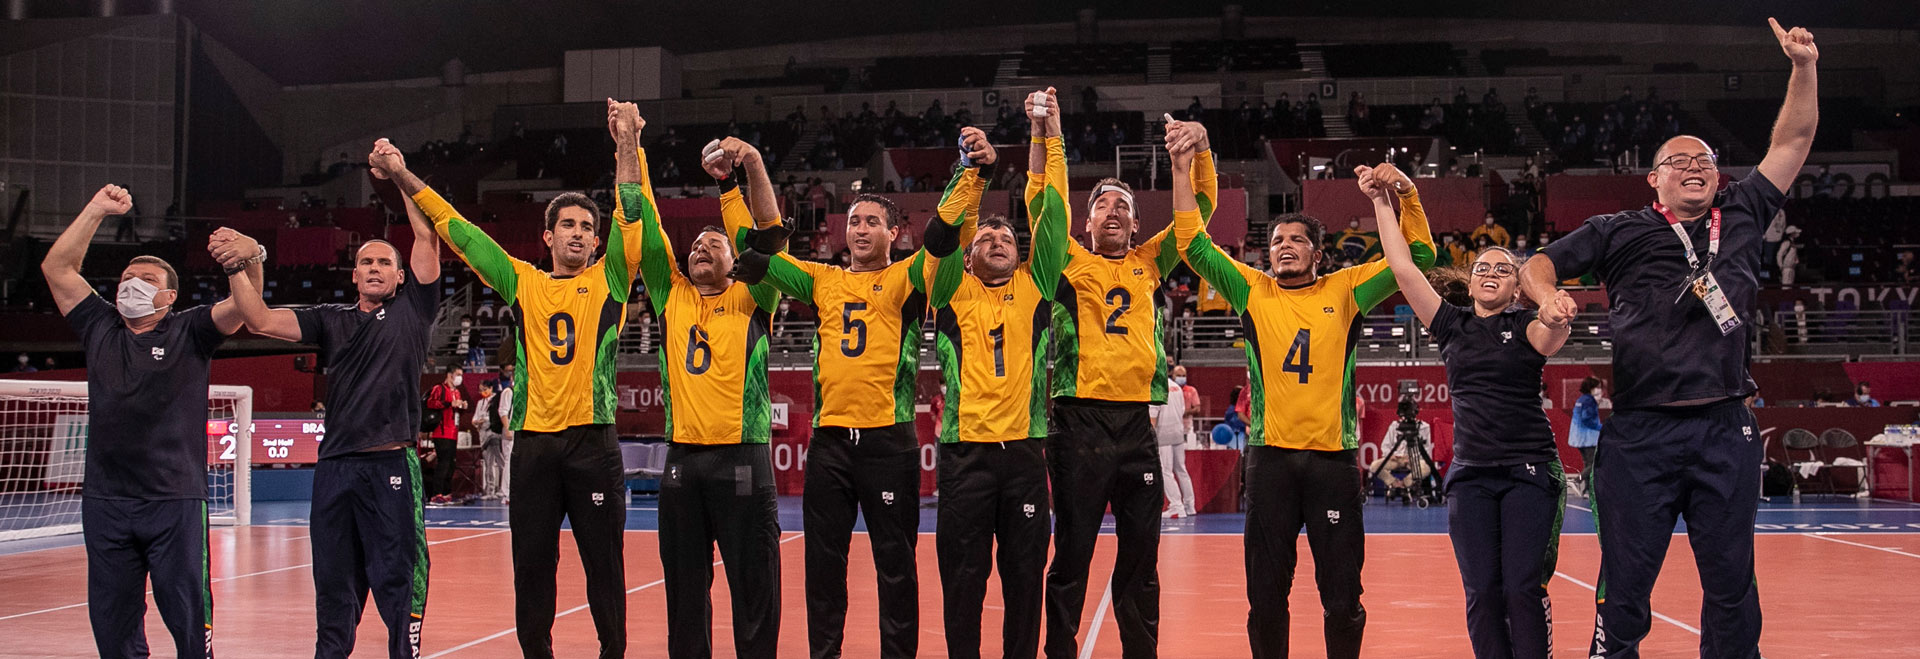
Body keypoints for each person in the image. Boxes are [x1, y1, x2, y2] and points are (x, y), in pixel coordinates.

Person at [1519, 19, 1818, 658]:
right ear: (1651, 180)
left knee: (1732, 583)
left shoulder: (1742, 211)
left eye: (1704, 160)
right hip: (1640, 433)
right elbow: (1535, 266)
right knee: (1625, 582)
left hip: (1724, 425)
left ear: (1717, 175)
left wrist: (1802, 67)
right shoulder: (1618, 229)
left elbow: (1793, 137)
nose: (1693, 167)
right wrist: (1548, 297)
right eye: (1676, 161)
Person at [1173, 132, 1435, 658]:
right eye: (1276, 242)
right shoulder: (1252, 290)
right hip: (1269, 462)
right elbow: (1192, 246)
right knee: (1265, 597)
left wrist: (1405, 193)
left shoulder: (1349, 289)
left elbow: (1421, 255)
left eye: (1296, 240)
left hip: (1331, 465)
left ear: (1317, 253)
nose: (1284, 247)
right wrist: (1183, 169)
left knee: (1342, 598)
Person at [411, 100, 650, 659]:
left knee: (604, 567)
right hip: (536, 446)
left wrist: (626, 142)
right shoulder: (523, 282)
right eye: (567, 223)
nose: (578, 232)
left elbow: (632, 209)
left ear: (597, 242)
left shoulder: (612, 278)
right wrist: (403, 175)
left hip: (593, 441)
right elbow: (461, 233)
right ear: (546, 237)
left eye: (587, 227)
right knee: (532, 567)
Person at [746, 123, 994, 657]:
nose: (860, 229)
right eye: (854, 220)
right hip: (831, 444)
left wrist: (973, 174)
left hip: (889, 443)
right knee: (823, 568)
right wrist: (732, 185)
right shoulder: (822, 280)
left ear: (894, 233)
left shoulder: (909, 279)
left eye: (872, 222)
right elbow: (762, 251)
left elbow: (948, 237)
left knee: (895, 566)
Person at [221, 138, 442, 658]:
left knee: (398, 578)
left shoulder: (416, 311)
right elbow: (257, 320)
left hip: (390, 461)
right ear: (354, 273)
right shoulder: (331, 319)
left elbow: (428, 233)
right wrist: (241, 265)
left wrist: (400, 174)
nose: (373, 268)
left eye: (384, 262)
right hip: (335, 469)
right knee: (334, 583)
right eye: (365, 262)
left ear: (400, 274)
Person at [42, 184, 259, 659]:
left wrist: (249, 258)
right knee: (113, 623)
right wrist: (97, 208)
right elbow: (57, 268)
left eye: (143, 277)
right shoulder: (99, 325)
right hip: (106, 501)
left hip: (173, 500)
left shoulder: (191, 330)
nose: (129, 283)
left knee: (186, 617)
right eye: (125, 276)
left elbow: (247, 309)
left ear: (169, 294)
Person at [1366, 161, 1574, 657]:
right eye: (1484, 267)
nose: (1491, 274)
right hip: (1471, 477)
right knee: (1481, 592)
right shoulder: (1450, 323)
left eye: (1504, 269)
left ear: (1516, 286)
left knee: (1522, 589)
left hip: (1528, 472)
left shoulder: (1526, 323)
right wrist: (1379, 201)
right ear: (1471, 278)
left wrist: (1556, 314)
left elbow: (1550, 337)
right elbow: (1402, 269)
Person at [1037, 102, 1216, 659]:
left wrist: (1201, 148)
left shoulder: (1150, 261)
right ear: (1084, 221)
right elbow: (1044, 201)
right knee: (1072, 553)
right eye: (1101, 206)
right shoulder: (1064, 260)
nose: (1112, 212)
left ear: (1137, 222)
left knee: (1142, 556)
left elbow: (1200, 213)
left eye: (1124, 206)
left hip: (1137, 426)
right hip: (1077, 422)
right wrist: (1052, 136)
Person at [926, 86, 1068, 659]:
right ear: (970, 252)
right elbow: (942, 234)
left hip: (1026, 458)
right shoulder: (949, 288)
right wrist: (973, 171)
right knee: (962, 584)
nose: (999, 240)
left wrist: (1048, 133)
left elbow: (1050, 210)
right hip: (965, 457)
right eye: (986, 236)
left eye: (1008, 236)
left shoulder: (1038, 286)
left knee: (1024, 582)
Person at [640, 122, 789, 659]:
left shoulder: (756, 295)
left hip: (743, 460)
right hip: (682, 463)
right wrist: (630, 145)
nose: (702, 247)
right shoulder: (670, 294)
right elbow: (647, 222)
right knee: (684, 592)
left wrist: (743, 171)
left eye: (715, 244)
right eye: (696, 245)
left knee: (754, 588)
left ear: (735, 263)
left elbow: (768, 236)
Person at [1153, 365, 1199, 518]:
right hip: (1178, 433)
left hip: (1163, 435)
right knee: (1181, 469)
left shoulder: (1156, 388)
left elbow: (1153, 417)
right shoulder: (1176, 388)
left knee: (1166, 471)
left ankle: (1176, 506)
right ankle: (1190, 505)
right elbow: (1182, 410)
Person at [423, 367, 466, 506]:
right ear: (450, 375)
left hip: (453, 432)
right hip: (441, 432)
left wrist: (461, 406)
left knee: (451, 464)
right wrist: (449, 403)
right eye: (458, 374)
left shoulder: (457, 392)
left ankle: (447, 493)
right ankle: (437, 494)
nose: (460, 377)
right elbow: (431, 403)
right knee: (443, 463)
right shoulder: (439, 389)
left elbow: (456, 413)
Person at [1365, 415, 1432, 495]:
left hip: (1412, 460)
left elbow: (1426, 449)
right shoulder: (1394, 426)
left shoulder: (1424, 427)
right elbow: (1385, 445)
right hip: (1395, 459)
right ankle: (1394, 483)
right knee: (1374, 466)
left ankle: (1405, 484)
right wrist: (1390, 455)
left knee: (1426, 468)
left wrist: (1412, 457)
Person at [1571, 377, 1604, 495]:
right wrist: (1601, 427)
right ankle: (1576, 480)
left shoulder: (1581, 399)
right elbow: (1587, 418)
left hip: (1578, 437)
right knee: (1593, 464)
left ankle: (1587, 490)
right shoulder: (1590, 400)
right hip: (1588, 438)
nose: (1599, 390)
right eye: (1597, 387)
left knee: (1587, 463)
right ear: (1591, 388)